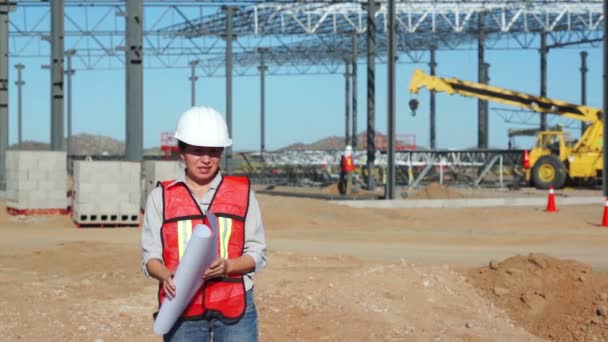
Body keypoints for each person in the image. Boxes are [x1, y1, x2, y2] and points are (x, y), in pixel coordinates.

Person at [141, 106, 267, 341]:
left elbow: (257, 253)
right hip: (181, 308)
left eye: (214, 151)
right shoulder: (161, 197)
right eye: (198, 151)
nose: (206, 159)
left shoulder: (242, 193)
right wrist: (166, 275)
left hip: (235, 304)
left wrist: (228, 266)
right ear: (182, 152)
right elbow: (150, 258)